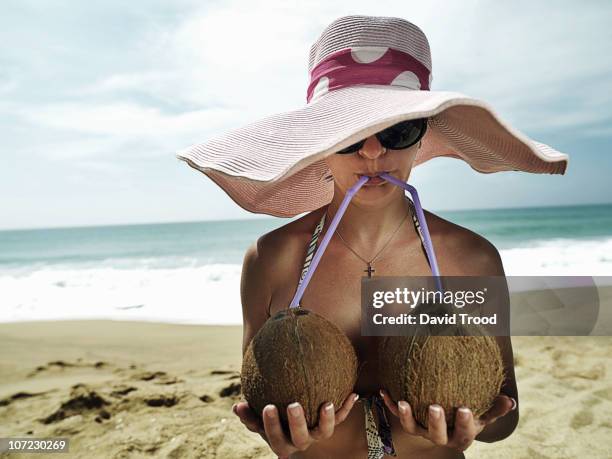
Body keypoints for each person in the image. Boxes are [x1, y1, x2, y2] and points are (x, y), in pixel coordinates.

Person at [177, 15, 568, 458]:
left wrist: (476, 426)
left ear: (423, 135)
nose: (373, 152)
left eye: (397, 130)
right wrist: (275, 432)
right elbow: (260, 396)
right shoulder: (273, 258)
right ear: (322, 141)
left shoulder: (469, 258)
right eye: (349, 135)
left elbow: (505, 418)